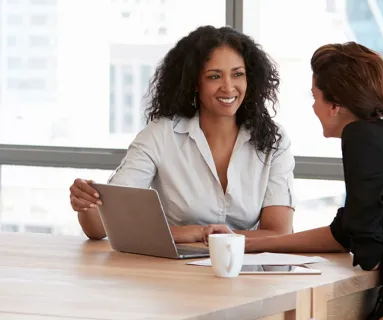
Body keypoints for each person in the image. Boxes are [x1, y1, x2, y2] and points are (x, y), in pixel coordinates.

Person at [201, 42, 383, 319]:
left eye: (315, 97)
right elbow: (345, 232)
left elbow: (367, 249)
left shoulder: (360, 136)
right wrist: (248, 242)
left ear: (335, 106)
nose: (314, 106)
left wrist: (362, 239)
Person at [69, 25, 296, 243]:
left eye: (237, 74)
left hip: (247, 272)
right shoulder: (160, 135)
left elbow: (278, 233)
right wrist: (86, 202)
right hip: (173, 274)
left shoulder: (273, 141)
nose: (228, 87)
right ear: (195, 82)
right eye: (214, 76)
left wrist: (206, 236)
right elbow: (101, 226)